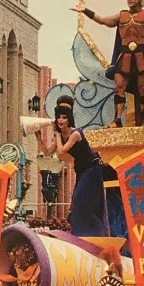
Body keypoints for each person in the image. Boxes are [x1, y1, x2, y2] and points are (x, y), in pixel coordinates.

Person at [35, 95, 109, 237]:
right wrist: (38, 137)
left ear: (69, 119)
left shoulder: (75, 133)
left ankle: (93, 233)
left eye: (64, 117)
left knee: (81, 199)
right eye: (59, 117)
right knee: (77, 201)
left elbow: (62, 151)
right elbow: (47, 152)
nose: (61, 120)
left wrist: (56, 134)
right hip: (81, 171)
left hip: (92, 169)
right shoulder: (61, 136)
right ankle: (81, 233)